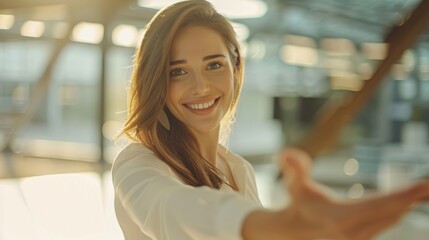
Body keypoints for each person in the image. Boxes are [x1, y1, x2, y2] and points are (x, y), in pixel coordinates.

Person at [111, 1, 429, 239]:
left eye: (214, 65)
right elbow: (175, 210)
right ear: (155, 82)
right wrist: (282, 225)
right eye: (177, 71)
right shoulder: (137, 163)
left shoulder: (238, 171)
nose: (200, 87)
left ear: (236, 68)